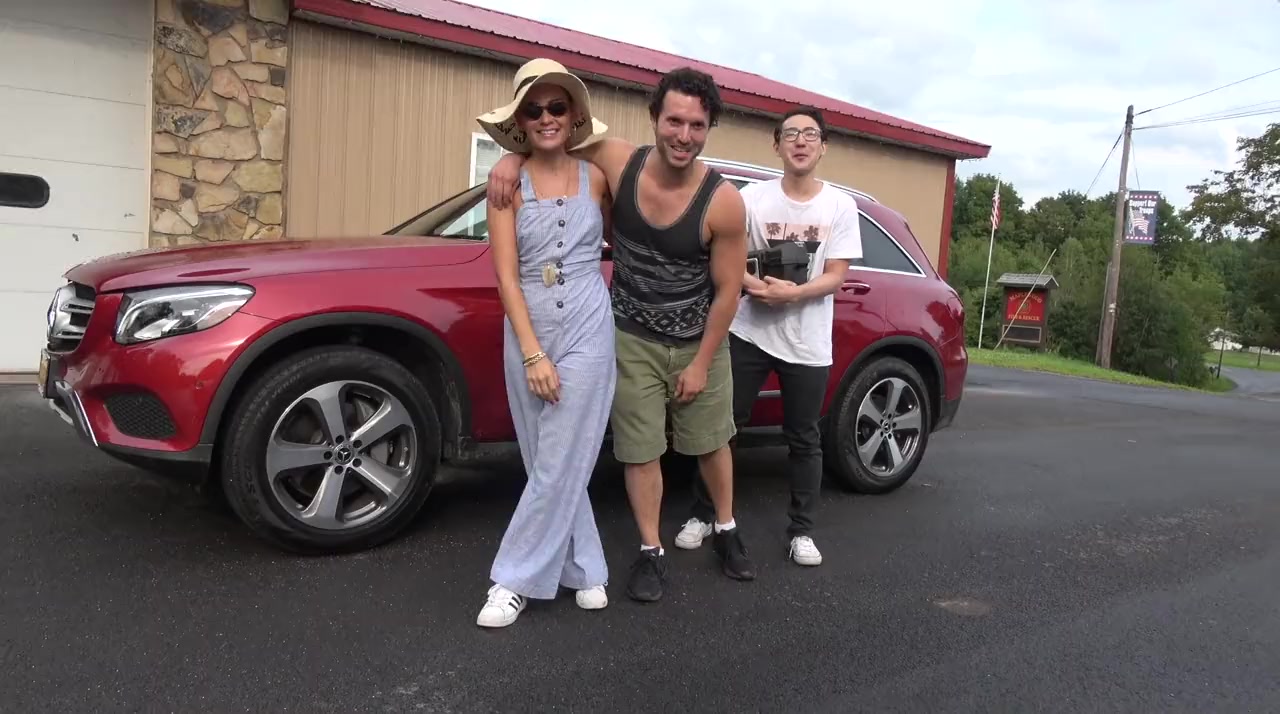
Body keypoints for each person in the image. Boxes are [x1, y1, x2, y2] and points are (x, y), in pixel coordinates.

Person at [487, 67, 757, 603]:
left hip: (689, 336)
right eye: (674, 120)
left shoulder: (723, 201)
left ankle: (726, 527)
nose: (683, 134)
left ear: (709, 129)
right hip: (631, 333)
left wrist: (701, 361)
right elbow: (549, 150)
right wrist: (509, 159)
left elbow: (729, 290)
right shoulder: (616, 161)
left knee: (711, 441)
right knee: (635, 450)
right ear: (654, 118)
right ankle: (641, 554)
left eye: (697, 125)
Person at [671, 106, 863, 567]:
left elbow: (836, 274)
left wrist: (792, 294)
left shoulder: (840, 206)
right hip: (748, 332)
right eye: (790, 133)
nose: (800, 141)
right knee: (722, 427)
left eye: (810, 134)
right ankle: (705, 514)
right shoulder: (751, 198)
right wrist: (753, 286)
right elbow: (726, 257)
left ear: (823, 147)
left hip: (807, 341)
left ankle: (802, 531)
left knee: (804, 437)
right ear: (776, 145)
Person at [473, 58, 616, 628]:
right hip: (529, 321)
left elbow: (644, 172)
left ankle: (512, 580)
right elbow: (506, 276)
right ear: (520, 121)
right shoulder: (506, 185)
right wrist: (532, 352)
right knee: (548, 454)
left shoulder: (598, 177)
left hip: (587, 318)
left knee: (561, 451)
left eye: (557, 107)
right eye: (533, 111)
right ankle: (586, 567)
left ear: (574, 114)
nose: (546, 117)